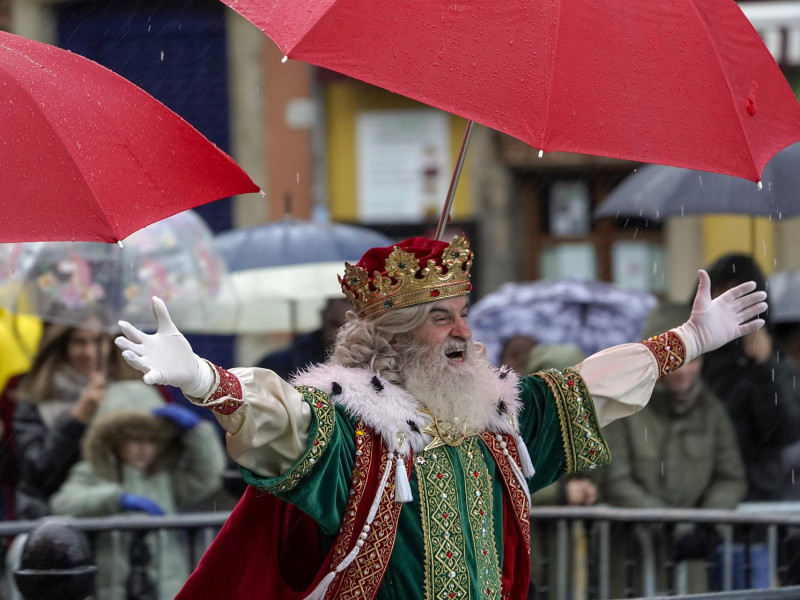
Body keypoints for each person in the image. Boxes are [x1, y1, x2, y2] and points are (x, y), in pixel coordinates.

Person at [115, 235, 766, 600]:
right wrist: (205, 379)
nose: (463, 331)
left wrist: (688, 341)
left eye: (462, 312)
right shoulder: (354, 429)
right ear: (394, 336)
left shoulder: (496, 422)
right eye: (439, 316)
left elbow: (587, 389)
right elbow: (281, 419)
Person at [50, 379, 226, 600]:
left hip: (166, 588)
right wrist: (115, 499)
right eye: (133, 438)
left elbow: (207, 477)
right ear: (113, 439)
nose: (144, 448)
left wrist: (198, 434)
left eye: (152, 439)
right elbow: (63, 502)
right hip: (114, 588)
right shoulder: (95, 471)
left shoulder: (164, 476)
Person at [701, 254, 800, 501]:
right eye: (720, 296)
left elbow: (783, 431)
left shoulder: (773, 359)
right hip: (705, 496)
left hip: (758, 499)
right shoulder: (697, 356)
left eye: (737, 297)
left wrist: (765, 366)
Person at [9, 316, 114, 519]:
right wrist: (77, 418)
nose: (90, 352)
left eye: (98, 340)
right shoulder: (34, 400)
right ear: (62, 345)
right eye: (79, 342)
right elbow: (38, 473)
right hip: (52, 520)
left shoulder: (126, 388)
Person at [256, 298, 351, 379]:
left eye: (349, 326)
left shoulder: (364, 366)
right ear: (323, 316)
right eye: (336, 325)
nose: (341, 333)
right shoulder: (277, 365)